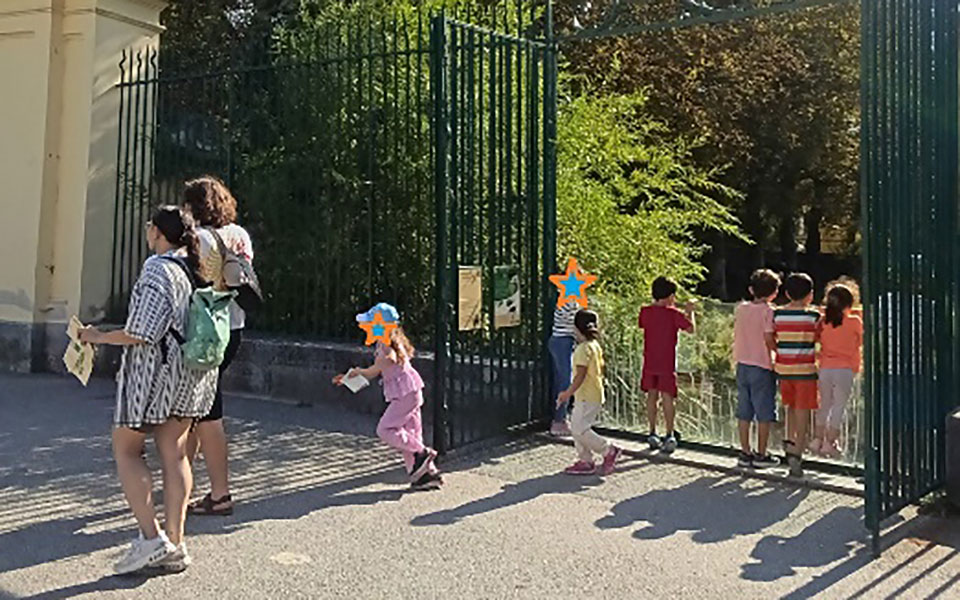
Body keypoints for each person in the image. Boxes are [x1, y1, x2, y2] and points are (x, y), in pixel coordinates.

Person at [80, 206, 217, 574]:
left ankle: (151, 538)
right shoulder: (193, 268)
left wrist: (96, 336)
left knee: (126, 449)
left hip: (153, 375)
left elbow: (141, 332)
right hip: (190, 373)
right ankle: (176, 542)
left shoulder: (157, 269)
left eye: (148, 227)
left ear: (157, 231)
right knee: (175, 454)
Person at [183, 176, 253, 517]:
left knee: (209, 413)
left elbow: (186, 284)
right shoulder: (239, 235)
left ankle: (220, 494)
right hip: (234, 326)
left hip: (205, 330)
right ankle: (183, 481)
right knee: (199, 408)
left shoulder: (198, 239)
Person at [333, 304, 442, 490]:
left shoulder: (387, 344)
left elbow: (386, 362)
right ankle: (426, 475)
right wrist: (350, 377)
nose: (367, 328)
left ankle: (422, 453)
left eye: (371, 325)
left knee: (385, 429)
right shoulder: (386, 341)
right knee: (411, 434)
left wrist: (364, 370)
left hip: (405, 394)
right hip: (410, 392)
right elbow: (374, 371)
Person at [557, 310, 623, 476]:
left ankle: (608, 450)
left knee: (579, 428)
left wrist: (567, 393)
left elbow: (580, 375)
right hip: (592, 394)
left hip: (586, 395)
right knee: (578, 426)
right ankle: (585, 460)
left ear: (576, 328)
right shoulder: (594, 346)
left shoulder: (581, 350)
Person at [638, 277, 696, 454]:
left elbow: (642, 325)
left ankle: (652, 432)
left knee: (651, 396)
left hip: (649, 360)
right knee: (668, 397)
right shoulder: (673, 314)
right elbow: (691, 329)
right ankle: (669, 434)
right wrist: (689, 311)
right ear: (671, 296)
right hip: (666, 363)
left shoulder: (645, 311)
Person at [774, 273, 821, 478]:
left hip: (783, 368)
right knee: (803, 410)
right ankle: (798, 450)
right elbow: (819, 336)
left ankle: (790, 440)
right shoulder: (812, 316)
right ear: (810, 295)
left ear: (786, 294)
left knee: (791, 406)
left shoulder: (777, 315)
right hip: (805, 370)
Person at [733, 269, 780, 470]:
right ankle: (761, 453)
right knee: (764, 412)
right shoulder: (768, 312)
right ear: (774, 292)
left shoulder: (741, 308)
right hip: (762, 365)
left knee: (744, 410)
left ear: (752, 289)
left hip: (742, 363)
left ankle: (745, 451)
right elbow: (769, 338)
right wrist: (778, 351)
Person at [812, 283, 862, 458]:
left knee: (824, 404)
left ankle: (817, 439)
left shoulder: (823, 321)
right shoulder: (854, 321)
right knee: (839, 406)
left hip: (825, 367)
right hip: (845, 369)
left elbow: (817, 338)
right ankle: (830, 442)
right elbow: (861, 341)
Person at [548, 299, 580, 436]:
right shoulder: (571, 299)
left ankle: (560, 417)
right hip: (564, 341)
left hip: (559, 340)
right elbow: (578, 323)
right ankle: (559, 421)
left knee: (561, 380)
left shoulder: (565, 296)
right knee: (566, 382)